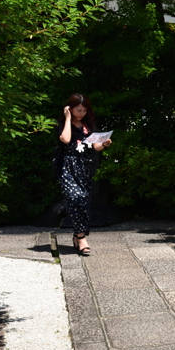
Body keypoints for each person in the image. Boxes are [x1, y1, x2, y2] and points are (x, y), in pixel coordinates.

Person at [57, 93, 111, 255]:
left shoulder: (89, 125)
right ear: (70, 109)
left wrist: (104, 144)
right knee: (75, 197)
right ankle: (81, 238)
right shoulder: (62, 124)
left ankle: (77, 235)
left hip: (84, 167)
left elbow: (95, 147)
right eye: (79, 110)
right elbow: (65, 139)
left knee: (84, 201)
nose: (82, 114)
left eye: (84, 110)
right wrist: (67, 119)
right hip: (67, 166)